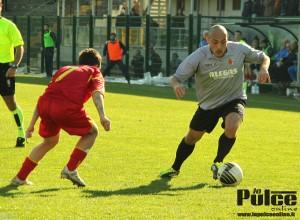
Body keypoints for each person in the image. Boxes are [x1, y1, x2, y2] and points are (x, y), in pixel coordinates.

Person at [159, 25, 270, 180]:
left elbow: (264, 57)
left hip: (234, 98)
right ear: (207, 40)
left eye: (223, 42)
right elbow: (175, 78)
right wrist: (177, 85)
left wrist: (264, 69)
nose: (220, 46)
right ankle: (175, 168)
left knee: (232, 128)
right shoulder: (198, 56)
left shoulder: (239, 50)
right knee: (192, 138)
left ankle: (218, 163)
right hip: (208, 105)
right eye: (215, 42)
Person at [10, 48, 111, 187]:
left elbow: (45, 96)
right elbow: (97, 93)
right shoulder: (94, 71)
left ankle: (20, 177)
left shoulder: (64, 69)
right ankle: (70, 169)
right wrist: (103, 116)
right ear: (97, 64)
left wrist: (31, 125)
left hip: (45, 106)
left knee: (49, 141)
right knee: (92, 131)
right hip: (65, 108)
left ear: (79, 63)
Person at [0, 0, 26, 147]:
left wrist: (14, 66)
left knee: (11, 104)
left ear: (1, 7)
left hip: (5, 69)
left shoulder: (9, 25)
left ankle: (21, 132)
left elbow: (19, 47)